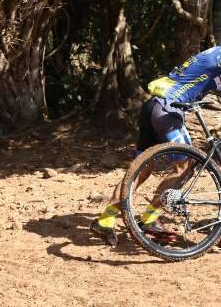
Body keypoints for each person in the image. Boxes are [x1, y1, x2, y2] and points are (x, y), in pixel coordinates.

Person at [90, 45, 221, 246]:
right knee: (185, 165)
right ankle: (149, 218)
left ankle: (105, 220)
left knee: (142, 169)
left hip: (153, 106)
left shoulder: (212, 54)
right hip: (168, 110)